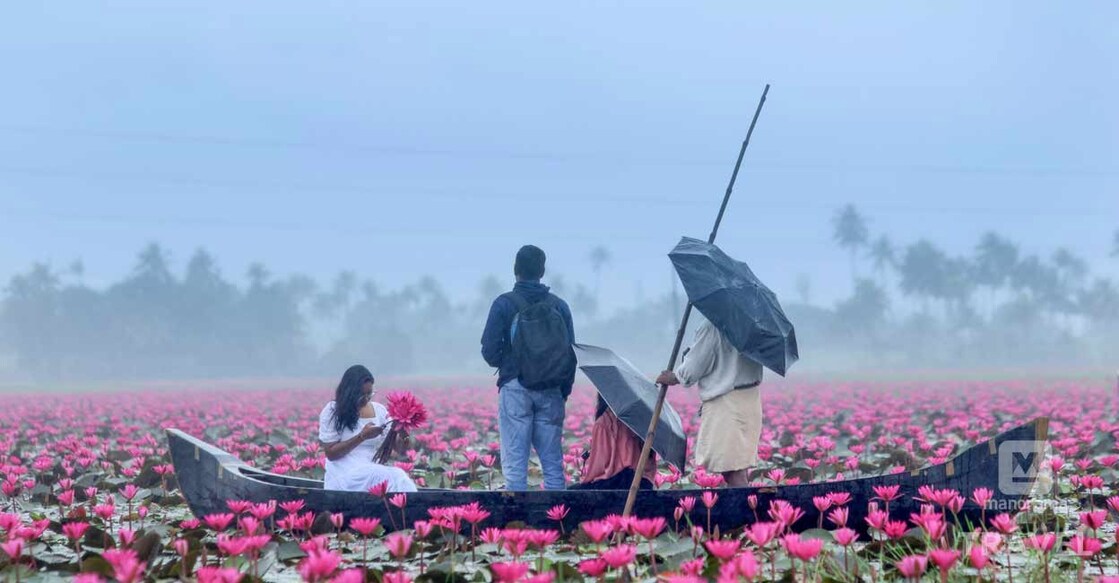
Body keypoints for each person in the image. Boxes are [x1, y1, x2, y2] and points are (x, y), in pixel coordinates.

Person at [481, 245, 576, 491]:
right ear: (542, 271)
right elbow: (571, 354)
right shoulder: (560, 306)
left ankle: (517, 523)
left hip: (515, 388)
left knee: (515, 465)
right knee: (553, 465)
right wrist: (562, 391)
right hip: (552, 390)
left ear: (515, 269)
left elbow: (489, 351)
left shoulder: (503, 304)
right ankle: (558, 523)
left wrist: (510, 363)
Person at [656, 319, 762, 488]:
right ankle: (745, 507)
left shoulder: (713, 326)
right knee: (737, 466)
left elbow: (694, 367)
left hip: (727, 402)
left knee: (732, 469)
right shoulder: (751, 324)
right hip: (750, 400)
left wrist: (675, 376)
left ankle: (742, 512)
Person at [318, 364, 417, 493]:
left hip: (371, 469)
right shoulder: (333, 411)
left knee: (400, 476)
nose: (366, 399)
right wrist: (362, 437)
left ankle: (405, 508)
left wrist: (402, 431)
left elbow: (398, 449)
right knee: (386, 475)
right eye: (361, 395)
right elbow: (331, 454)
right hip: (345, 474)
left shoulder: (379, 411)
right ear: (350, 392)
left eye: (369, 394)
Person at [570, 395, 656, 490]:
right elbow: (650, 466)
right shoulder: (645, 421)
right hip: (643, 483)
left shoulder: (603, 423)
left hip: (616, 484)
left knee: (572, 492)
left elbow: (597, 470)